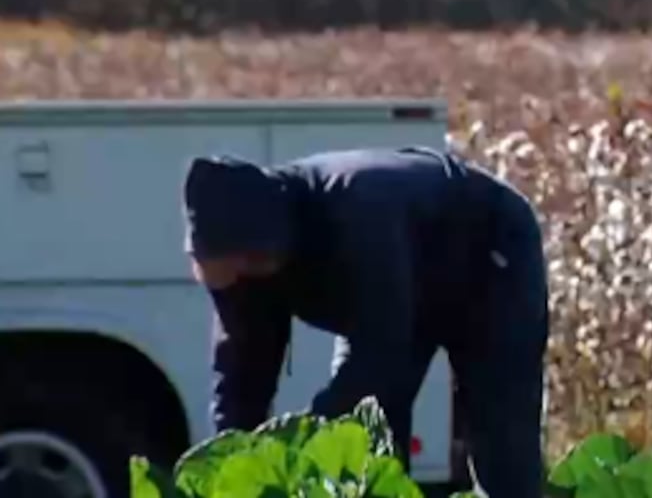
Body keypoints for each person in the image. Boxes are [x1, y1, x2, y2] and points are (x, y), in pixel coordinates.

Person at [180, 146, 550, 498]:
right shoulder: (241, 265)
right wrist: (236, 462)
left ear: (262, 248)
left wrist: (307, 438)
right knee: (371, 442)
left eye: (240, 270)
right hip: (401, 284)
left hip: (489, 253)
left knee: (500, 436)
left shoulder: (354, 213)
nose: (232, 287)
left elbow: (379, 350)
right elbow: (241, 371)